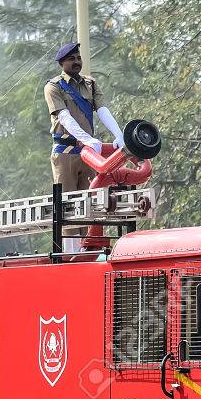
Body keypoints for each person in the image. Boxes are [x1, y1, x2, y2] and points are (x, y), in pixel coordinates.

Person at [44, 41, 126, 252]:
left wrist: (119, 135)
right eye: (71, 58)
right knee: (68, 205)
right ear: (62, 63)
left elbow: (103, 110)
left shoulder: (90, 84)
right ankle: (70, 254)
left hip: (88, 153)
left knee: (89, 204)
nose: (77, 61)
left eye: (78, 57)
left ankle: (87, 251)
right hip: (66, 152)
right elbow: (64, 117)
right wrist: (86, 139)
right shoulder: (53, 86)